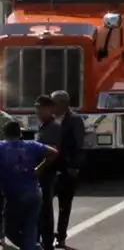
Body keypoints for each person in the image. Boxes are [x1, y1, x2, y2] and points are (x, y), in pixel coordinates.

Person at [0, 119, 58, 250]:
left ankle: (33, 248)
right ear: (20, 134)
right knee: (30, 229)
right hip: (34, 193)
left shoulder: (1, 147)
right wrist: (40, 168)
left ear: (4, 133)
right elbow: (53, 152)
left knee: (9, 229)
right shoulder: (31, 145)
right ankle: (32, 247)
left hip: (14, 195)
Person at [49, 91, 84, 247]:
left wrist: (74, 167)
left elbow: (78, 144)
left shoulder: (75, 120)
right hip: (50, 169)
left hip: (67, 170)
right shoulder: (49, 120)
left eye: (53, 103)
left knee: (64, 206)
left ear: (63, 103)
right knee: (45, 203)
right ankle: (47, 234)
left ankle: (61, 236)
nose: (51, 107)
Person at [33, 96, 60, 250]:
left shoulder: (53, 127)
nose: (37, 111)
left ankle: (48, 243)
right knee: (39, 209)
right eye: (36, 108)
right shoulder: (43, 127)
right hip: (41, 174)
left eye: (41, 108)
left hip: (47, 174)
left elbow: (54, 152)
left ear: (50, 109)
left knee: (45, 210)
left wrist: (40, 168)